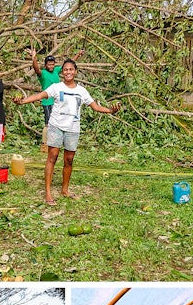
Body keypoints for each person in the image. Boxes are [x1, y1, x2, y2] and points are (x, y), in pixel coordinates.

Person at [13, 59, 120, 205]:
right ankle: (48, 193)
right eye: (65, 70)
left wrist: (110, 110)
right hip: (56, 126)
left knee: (69, 160)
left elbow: (95, 106)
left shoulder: (81, 91)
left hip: (72, 129)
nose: (68, 72)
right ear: (62, 72)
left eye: (71, 69)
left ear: (75, 71)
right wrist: (22, 101)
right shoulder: (56, 87)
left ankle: (65, 190)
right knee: (53, 157)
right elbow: (39, 96)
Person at [28, 48, 84, 151]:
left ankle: (57, 143)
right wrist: (34, 57)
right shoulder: (43, 73)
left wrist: (78, 54)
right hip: (48, 101)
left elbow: (69, 65)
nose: (51, 66)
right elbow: (36, 69)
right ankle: (45, 144)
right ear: (45, 65)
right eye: (49, 64)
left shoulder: (57, 71)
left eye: (52, 64)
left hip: (58, 102)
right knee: (48, 123)